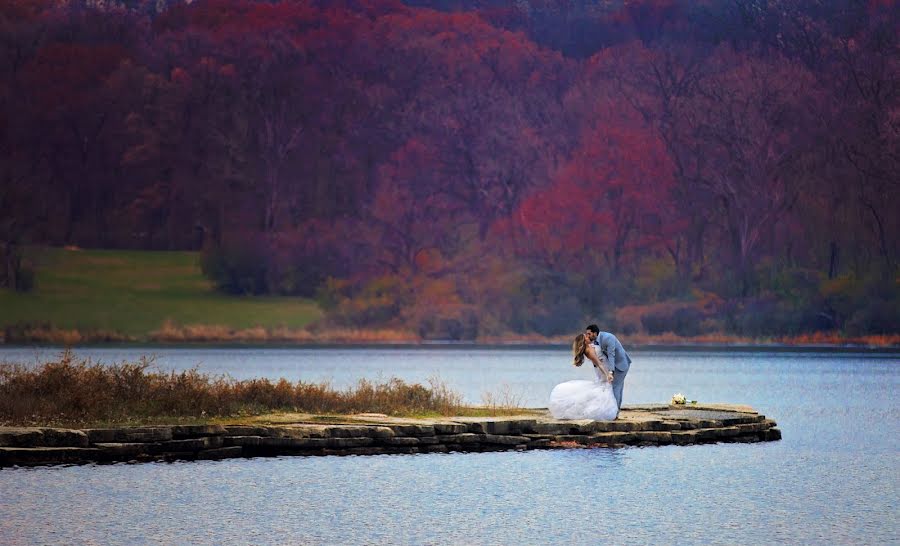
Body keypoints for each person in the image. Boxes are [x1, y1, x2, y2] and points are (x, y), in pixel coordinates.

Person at [548, 333, 619, 420]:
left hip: (603, 368)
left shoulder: (590, 346)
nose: (589, 337)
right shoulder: (589, 351)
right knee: (604, 389)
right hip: (602, 370)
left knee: (605, 389)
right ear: (584, 341)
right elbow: (599, 364)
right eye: (586, 336)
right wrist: (608, 374)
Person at [585, 324, 632, 409]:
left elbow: (611, 355)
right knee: (618, 388)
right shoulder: (595, 341)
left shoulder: (608, 338)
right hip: (613, 365)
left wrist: (610, 372)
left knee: (615, 388)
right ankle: (616, 412)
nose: (587, 336)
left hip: (621, 365)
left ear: (595, 333)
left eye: (589, 334)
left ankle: (614, 412)